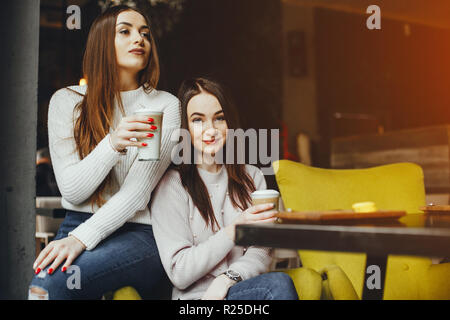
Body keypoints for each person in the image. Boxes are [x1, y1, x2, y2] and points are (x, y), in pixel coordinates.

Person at [29, 5, 180, 299]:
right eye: (125, 31)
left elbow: (137, 193)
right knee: (39, 289)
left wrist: (79, 240)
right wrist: (112, 144)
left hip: (139, 233)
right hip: (77, 222)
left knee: (51, 287)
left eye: (145, 34)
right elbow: (73, 191)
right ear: (101, 42)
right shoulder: (67, 102)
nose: (139, 39)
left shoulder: (164, 106)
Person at [150, 77, 298, 300]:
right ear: (185, 127)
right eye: (198, 120)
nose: (211, 130)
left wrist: (227, 279)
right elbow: (179, 272)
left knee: (277, 283)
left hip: (242, 292)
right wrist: (235, 230)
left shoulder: (252, 177)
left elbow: (262, 249)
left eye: (219, 118)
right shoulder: (172, 185)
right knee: (277, 285)